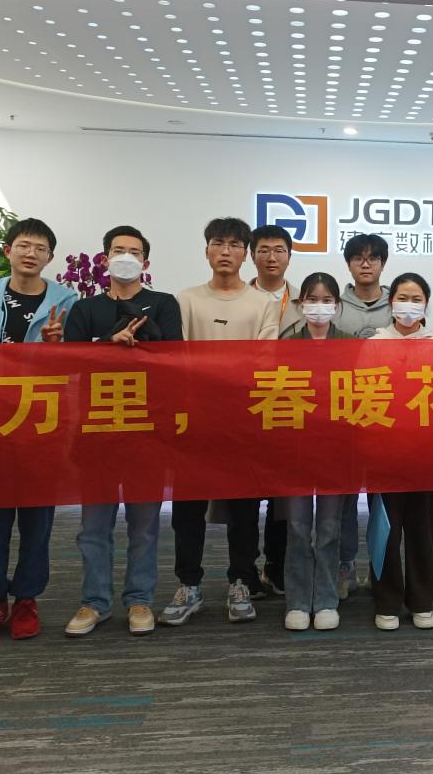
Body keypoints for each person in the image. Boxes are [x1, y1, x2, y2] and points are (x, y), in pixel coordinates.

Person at [0, 217, 77, 642]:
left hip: (42, 422)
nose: (31, 253)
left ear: (50, 257)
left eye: (40, 248)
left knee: (36, 518)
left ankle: (27, 597)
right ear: (8, 250)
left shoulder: (67, 300)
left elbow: (80, 363)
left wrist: (59, 347)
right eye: (24, 245)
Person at [63, 225, 183, 637]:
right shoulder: (84, 310)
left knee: (144, 526)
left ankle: (139, 599)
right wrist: (107, 345)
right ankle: (94, 602)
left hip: (146, 431)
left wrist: (139, 345)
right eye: (118, 250)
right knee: (93, 527)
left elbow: (175, 359)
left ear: (145, 262)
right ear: (105, 259)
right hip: (96, 430)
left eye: (134, 251)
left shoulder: (163, 305)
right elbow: (71, 363)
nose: (125, 257)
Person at [161, 218, 281, 628]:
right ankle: (189, 584)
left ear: (245, 253)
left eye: (234, 244)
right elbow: (176, 358)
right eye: (218, 243)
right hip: (193, 422)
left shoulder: (262, 303)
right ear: (207, 250)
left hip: (242, 421)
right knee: (187, 511)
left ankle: (241, 582)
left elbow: (263, 361)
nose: (226, 251)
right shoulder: (186, 300)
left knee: (245, 509)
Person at [280, 273, 353, 631]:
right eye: (312, 299)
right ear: (300, 304)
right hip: (296, 451)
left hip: (335, 451)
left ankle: (325, 599)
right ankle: (297, 601)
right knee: (296, 526)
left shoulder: (350, 343)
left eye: (326, 300)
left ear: (337, 306)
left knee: (328, 528)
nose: (319, 307)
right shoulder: (288, 343)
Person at [369, 274, 433, 631]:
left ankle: (422, 600)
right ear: (390, 302)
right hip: (384, 453)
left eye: (416, 298)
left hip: (426, 453)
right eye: (401, 297)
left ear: (426, 304)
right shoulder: (374, 344)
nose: (408, 305)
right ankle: (386, 601)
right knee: (386, 529)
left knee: (421, 529)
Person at [334, 233, 393, 599]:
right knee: (343, 498)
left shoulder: (398, 303)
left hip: (386, 414)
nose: (366, 264)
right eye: (358, 258)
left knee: (382, 498)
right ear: (349, 264)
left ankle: (379, 564)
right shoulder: (334, 305)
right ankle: (345, 565)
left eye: (373, 258)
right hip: (344, 413)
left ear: (383, 263)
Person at [246, 223, 302, 596]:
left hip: (289, 406)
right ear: (252, 255)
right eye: (264, 250)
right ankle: (244, 571)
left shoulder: (304, 301)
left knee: (284, 497)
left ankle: (277, 566)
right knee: (247, 495)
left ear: (289, 257)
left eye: (279, 250)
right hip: (248, 407)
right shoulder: (238, 298)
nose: (271, 257)